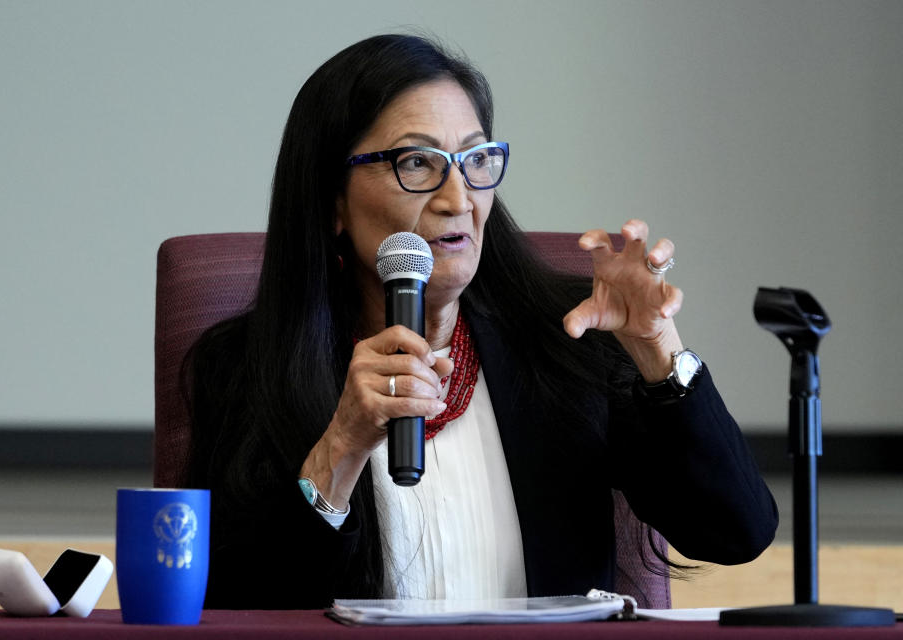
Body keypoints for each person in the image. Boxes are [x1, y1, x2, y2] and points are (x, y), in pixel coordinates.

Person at [185, 33, 778, 610]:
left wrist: (656, 349)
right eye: (416, 162)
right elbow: (234, 606)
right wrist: (340, 448)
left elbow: (735, 533)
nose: (458, 196)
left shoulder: (570, 343)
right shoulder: (243, 368)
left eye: (474, 159)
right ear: (332, 200)